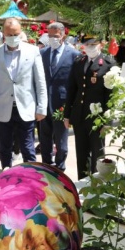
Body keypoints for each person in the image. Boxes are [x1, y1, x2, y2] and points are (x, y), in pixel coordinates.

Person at [0, 17, 48, 170]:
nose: (13, 37)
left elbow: (40, 82)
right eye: (9, 34)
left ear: (21, 32)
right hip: (2, 109)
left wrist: (41, 108)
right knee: (4, 148)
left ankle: (30, 179)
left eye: (16, 34)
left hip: (26, 107)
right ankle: (6, 178)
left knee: (28, 149)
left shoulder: (32, 51)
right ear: (3, 34)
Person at [64, 34, 116, 179]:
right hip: (79, 115)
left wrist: (108, 121)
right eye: (87, 45)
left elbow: (111, 96)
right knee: (81, 153)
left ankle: (98, 183)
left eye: (93, 45)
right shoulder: (79, 62)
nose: (90, 48)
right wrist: (67, 115)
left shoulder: (108, 64)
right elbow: (72, 90)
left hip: (97, 117)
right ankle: (82, 182)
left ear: (101, 45)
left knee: (98, 153)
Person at [39, 22, 80, 171]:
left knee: (61, 141)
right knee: (44, 138)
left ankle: (60, 167)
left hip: (62, 104)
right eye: (49, 36)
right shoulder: (42, 53)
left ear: (63, 35)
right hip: (44, 103)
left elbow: (76, 82)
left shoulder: (74, 55)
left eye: (55, 36)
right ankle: (46, 166)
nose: (52, 39)